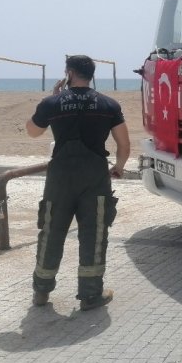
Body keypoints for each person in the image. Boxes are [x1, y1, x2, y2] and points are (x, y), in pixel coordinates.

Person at [25, 55, 130, 310]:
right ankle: (90, 295)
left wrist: (53, 97)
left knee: (51, 231)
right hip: (94, 177)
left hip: (60, 176)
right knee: (94, 233)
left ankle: (41, 291)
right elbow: (124, 145)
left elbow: (32, 131)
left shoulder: (53, 103)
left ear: (69, 73)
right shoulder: (108, 105)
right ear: (91, 74)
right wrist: (118, 167)